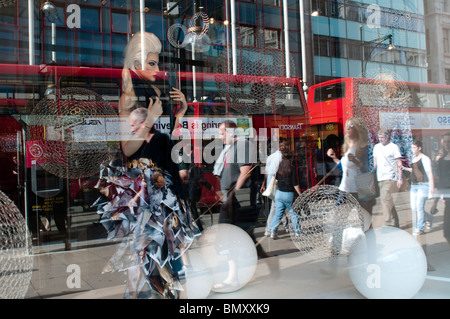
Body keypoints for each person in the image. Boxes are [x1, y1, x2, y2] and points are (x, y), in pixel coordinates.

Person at [94, 32, 200, 299]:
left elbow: (163, 141)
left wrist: (181, 113)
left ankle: (156, 291)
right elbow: (127, 148)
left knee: (162, 243)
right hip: (143, 187)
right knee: (144, 245)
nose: (158, 69)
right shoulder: (129, 97)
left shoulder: (157, 95)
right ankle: (138, 293)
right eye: (151, 63)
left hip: (163, 183)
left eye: (157, 63)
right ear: (136, 64)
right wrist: (151, 119)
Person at [338, 117, 374, 214]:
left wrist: (355, 160)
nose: (348, 128)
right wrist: (334, 158)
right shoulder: (347, 146)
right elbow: (344, 167)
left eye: (351, 126)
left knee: (365, 217)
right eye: (347, 126)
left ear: (357, 129)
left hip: (358, 188)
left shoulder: (363, 147)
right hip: (345, 188)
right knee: (339, 217)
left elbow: (367, 169)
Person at [402, 140, 435, 236]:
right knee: (414, 207)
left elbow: (429, 173)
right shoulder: (413, 158)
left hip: (423, 185)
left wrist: (431, 188)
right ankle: (429, 218)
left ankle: (419, 227)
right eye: (412, 147)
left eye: (414, 147)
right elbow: (414, 170)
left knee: (419, 207)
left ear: (419, 148)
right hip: (414, 185)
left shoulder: (425, 158)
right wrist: (404, 168)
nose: (412, 149)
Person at [373, 128, 404, 227]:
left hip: (391, 177)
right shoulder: (376, 147)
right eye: (379, 138)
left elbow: (399, 162)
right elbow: (375, 162)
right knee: (388, 200)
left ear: (387, 137)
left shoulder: (393, 147)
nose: (380, 140)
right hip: (380, 177)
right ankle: (396, 222)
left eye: (382, 138)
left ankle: (387, 222)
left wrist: (400, 178)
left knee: (384, 197)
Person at [269, 149, 302, 239]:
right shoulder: (291, 168)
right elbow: (295, 183)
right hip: (288, 194)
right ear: (291, 158)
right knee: (293, 213)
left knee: (278, 214)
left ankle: (273, 232)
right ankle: (298, 231)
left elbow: (275, 179)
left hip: (279, 193)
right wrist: (300, 193)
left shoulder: (279, 167)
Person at [260, 138, 289, 236]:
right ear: (279, 146)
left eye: (286, 145)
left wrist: (264, 184)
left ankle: (271, 229)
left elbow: (266, 172)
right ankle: (272, 229)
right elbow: (279, 172)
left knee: (276, 206)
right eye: (284, 145)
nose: (285, 147)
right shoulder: (281, 157)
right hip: (277, 184)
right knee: (280, 206)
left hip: (270, 185)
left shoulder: (270, 157)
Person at [435, 131, 450, 245]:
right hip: (448, 201)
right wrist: (434, 203)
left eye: (449, 141)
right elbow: (440, 183)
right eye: (445, 142)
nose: (446, 144)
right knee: (447, 231)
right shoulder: (441, 161)